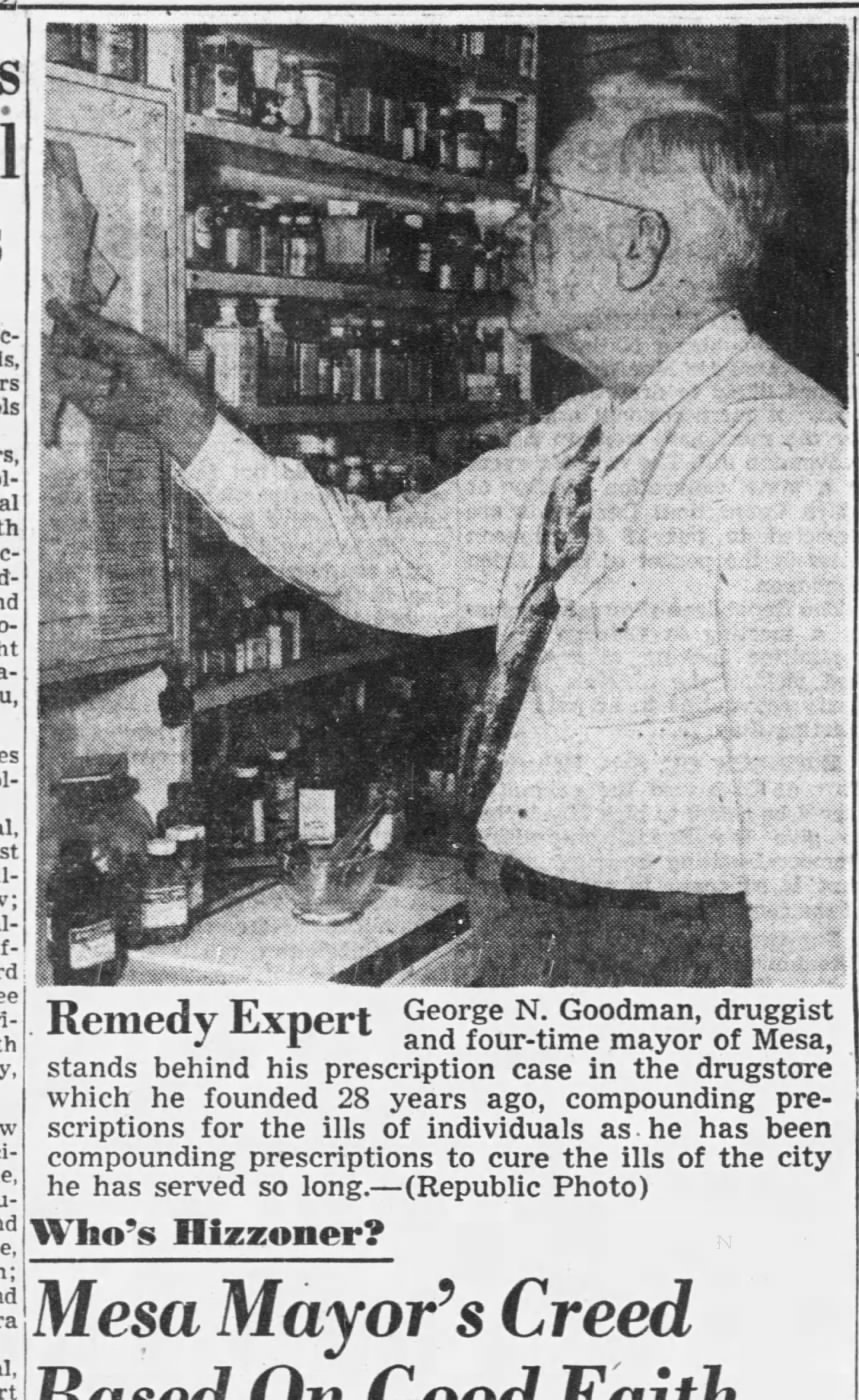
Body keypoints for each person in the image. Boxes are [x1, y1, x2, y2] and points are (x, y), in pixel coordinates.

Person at [49, 66, 851, 988]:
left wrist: (799, 1060)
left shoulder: (784, 449)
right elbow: (387, 569)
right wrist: (178, 418)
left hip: (674, 958)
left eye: (545, 201)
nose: (512, 225)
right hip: (532, 924)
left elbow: (818, 828)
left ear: (638, 248)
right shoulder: (585, 433)